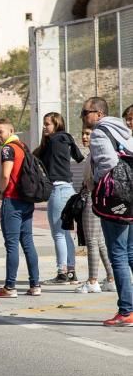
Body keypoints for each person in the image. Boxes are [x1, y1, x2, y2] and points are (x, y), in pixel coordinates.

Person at [82, 97, 133, 326]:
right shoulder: (125, 131)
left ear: (99, 113)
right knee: (130, 252)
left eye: (85, 112)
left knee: (118, 254)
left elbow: (107, 164)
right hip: (131, 197)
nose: (83, 117)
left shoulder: (100, 133)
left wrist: (95, 183)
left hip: (115, 200)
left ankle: (126, 310)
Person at [33, 112, 84, 284]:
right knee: (65, 234)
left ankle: (62, 272)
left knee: (58, 234)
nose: (44, 127)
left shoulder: (56, 141)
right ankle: (70, 273)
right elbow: (78, 158)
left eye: (48, 124)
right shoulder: (65, 139)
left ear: (57, 124)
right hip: (67, 189)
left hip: (59, 190)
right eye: (44, 123)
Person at [0, 118, 40, 298]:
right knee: (28, 242)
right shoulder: (23, 146)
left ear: (10, 131)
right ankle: (35, 284)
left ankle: (10, 287)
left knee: (11, 244)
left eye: (0, 132)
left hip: (12, 200)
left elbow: (5, 175)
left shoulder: (8, 149)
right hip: (27, 200)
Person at [75, 126, 115, 294]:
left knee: (92, 240)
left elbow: (90, 180)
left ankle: (92, 280)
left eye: (88, 134)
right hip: (98, 198)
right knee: (99, 241)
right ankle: (111, 278)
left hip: (92, 197)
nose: (84, 137)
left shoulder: (95, 156)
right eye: (83, 133)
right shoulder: (95, 155)